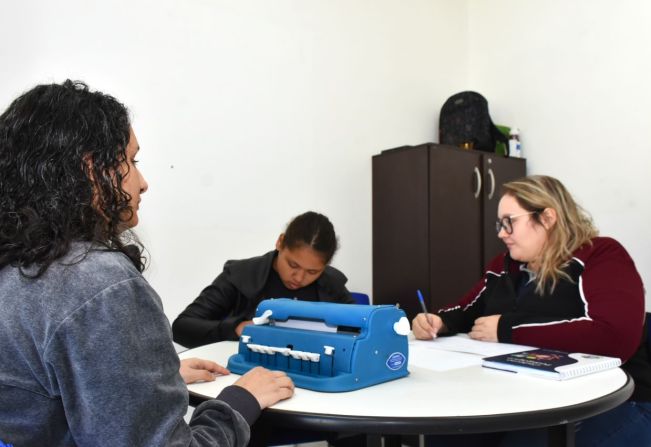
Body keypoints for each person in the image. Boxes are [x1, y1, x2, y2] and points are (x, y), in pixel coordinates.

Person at [0, 80, 294, 447]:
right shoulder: (100, 285)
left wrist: (150, 380)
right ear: (94, 169)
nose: (143, 182)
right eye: (131, 161)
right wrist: (240, 400)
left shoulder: (15, 268)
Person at [412, 175, 651, 446]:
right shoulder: (504, 266)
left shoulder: (600, 255)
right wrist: (438, 321)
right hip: (524, 394)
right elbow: (465, 309)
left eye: (509, 222)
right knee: (448, 436)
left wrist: (507, 329)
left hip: (612, 399)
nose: (502, 233)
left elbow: (613, 335)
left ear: (547, 218)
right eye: (500, 224)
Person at [172, 211, 355, 348]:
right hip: (251, 374)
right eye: (293, 265)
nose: (299, 278)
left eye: (312, 272)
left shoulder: (332, 285)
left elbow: (364, 330)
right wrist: (236, 328)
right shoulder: (241, 275)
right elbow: (182, 327)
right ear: (280, 242)